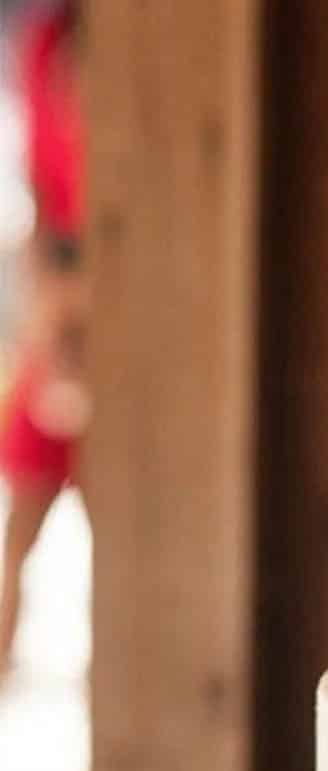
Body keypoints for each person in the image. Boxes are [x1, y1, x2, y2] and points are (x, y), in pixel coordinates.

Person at [0, 0, 87, 675]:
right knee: (17, 534)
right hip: (62, 312)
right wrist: (47, 320)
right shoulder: (44, 41)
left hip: (116, 312)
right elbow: (39, 192)